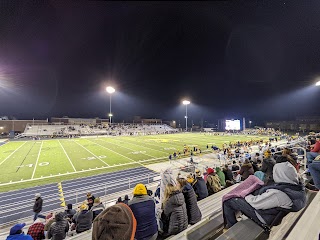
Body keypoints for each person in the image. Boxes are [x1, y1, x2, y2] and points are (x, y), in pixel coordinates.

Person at [223, 162, 306, 229]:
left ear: (279, 174)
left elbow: (254, 202)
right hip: (273, 214)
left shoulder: (278, 194)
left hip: (265, 217)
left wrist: (245, 193)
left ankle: (231, 226)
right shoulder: (297, 187)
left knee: (228, 201)